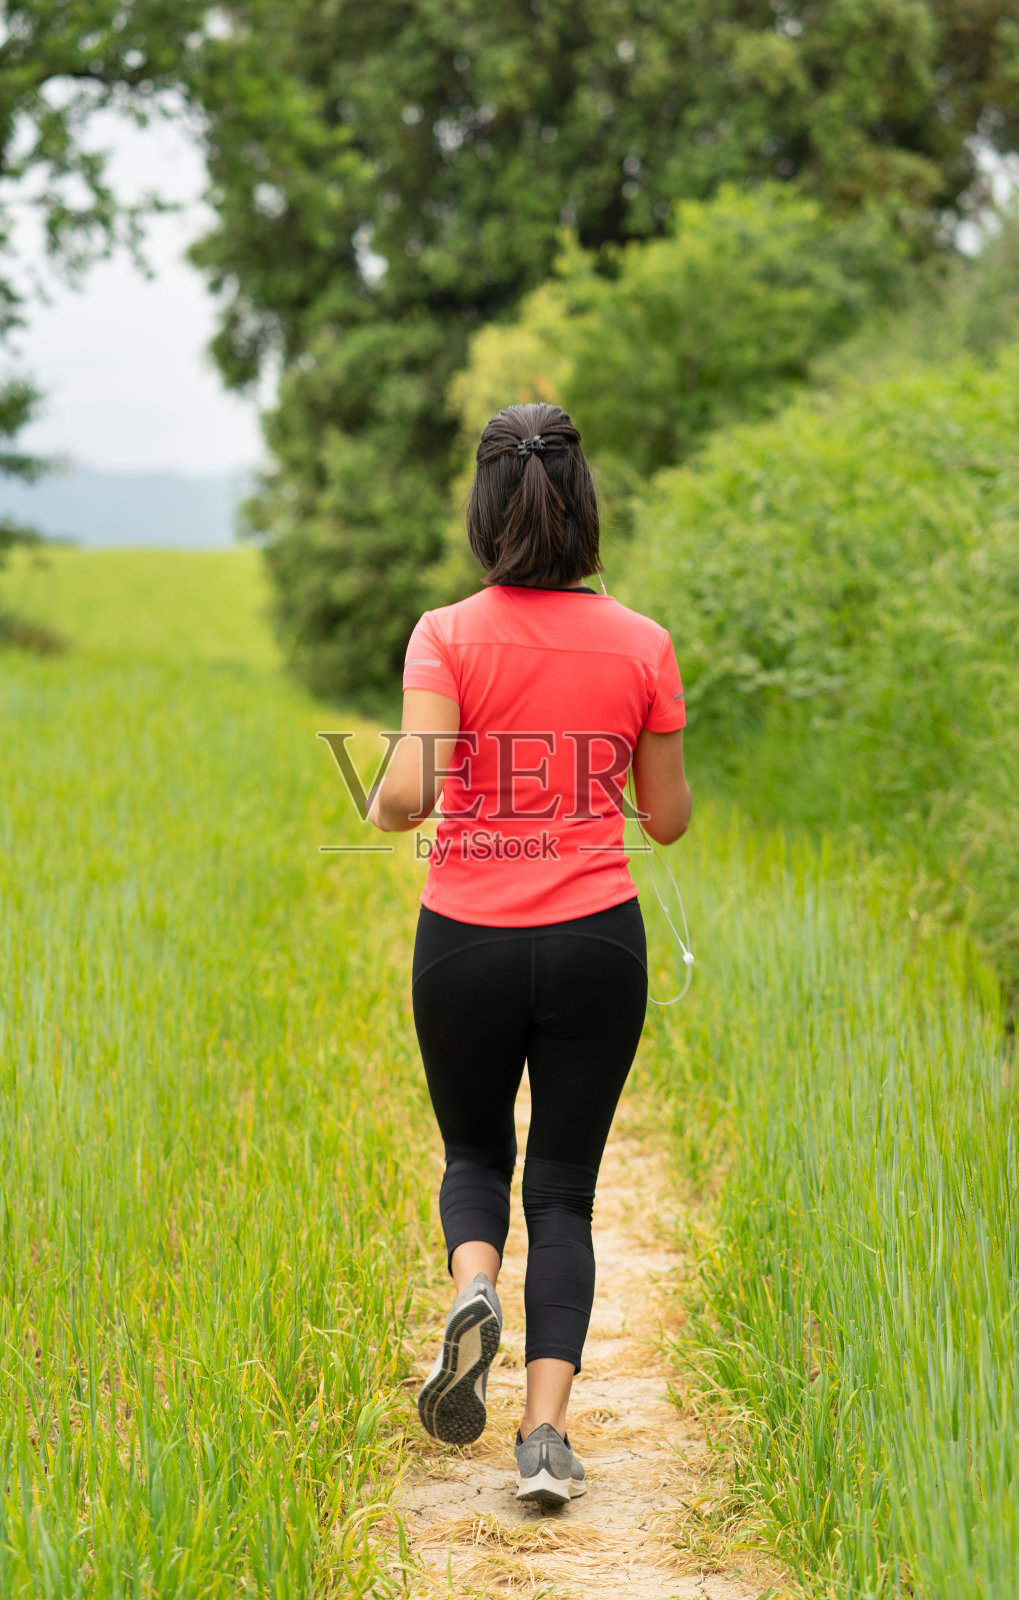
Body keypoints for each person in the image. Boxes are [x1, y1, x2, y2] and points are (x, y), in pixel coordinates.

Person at [367, 401, 690, 1510]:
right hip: (597, 935)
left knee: (472, 1153)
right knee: (561, 1187)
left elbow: (407, 796)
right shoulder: (643, 642)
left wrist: (379, 797)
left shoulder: (443, 634)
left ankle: (471, 1287)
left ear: (483, 506)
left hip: (465, 938)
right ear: (581, 504)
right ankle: (544, 1441)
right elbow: (666, 817)